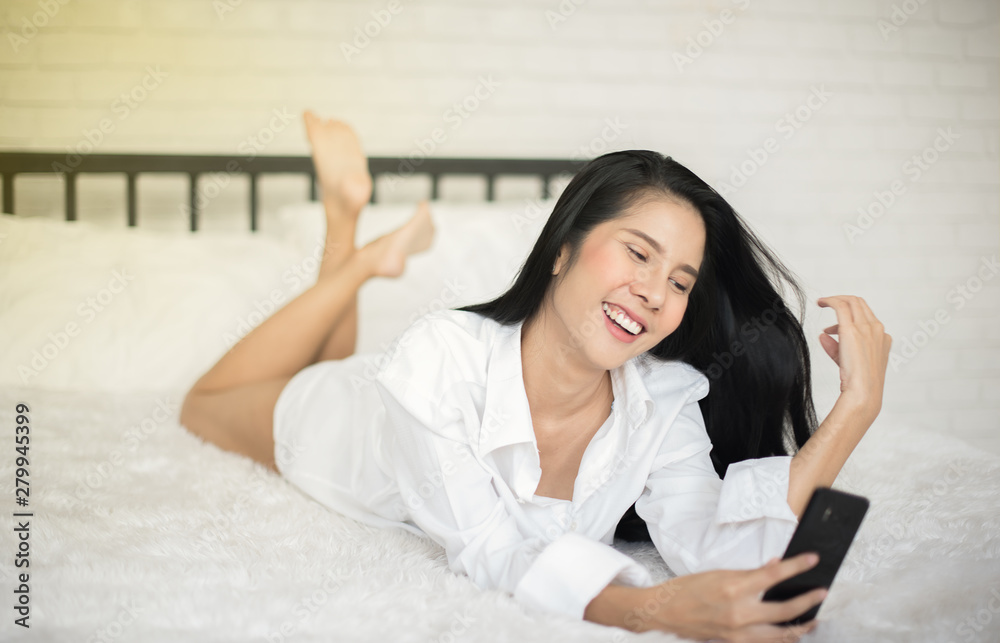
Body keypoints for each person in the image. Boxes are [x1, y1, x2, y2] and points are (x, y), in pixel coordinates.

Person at [180, 111, 892, 642]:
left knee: (323, 354)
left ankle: (348, 225)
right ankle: (359, 253)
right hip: (344, 423)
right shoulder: (438, 357)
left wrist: (854, 408)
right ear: (562, 249)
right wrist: (649, 609)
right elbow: (490, 549)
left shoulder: (663, 403)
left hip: (399, 399)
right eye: (637, 253)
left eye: (679, 280)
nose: (653, 292)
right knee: (202, 405)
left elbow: (715, 542)